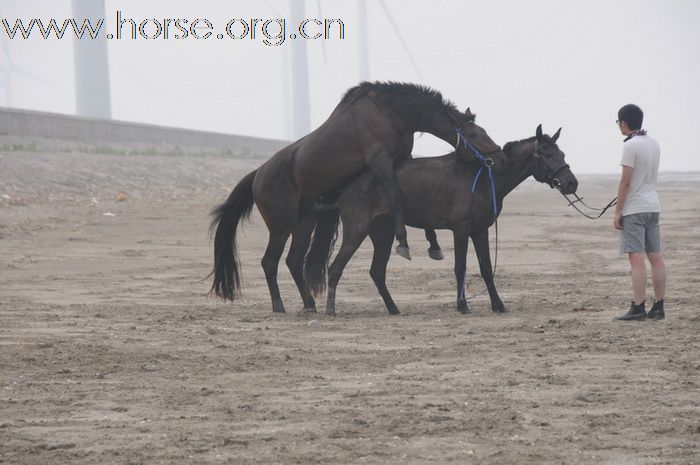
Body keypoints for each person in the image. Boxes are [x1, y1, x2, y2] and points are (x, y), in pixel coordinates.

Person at [613, 104, 666, 321]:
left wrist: (618, 212)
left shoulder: (631, 146)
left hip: (635, 208)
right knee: (655, 257)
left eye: (619, 123)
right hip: (653, 205)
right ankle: (659, 307)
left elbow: (626, 182)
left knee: (636, 258)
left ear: (624, 123)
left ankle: (638, 306)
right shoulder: (654, 144)